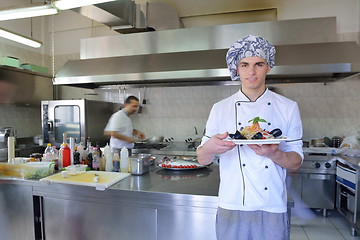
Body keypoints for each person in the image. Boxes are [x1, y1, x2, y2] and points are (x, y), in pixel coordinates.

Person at [197, 35, 303, 240]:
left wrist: (274, 154)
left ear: (268, 67)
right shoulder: (220, 109)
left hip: (272, 205)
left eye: (259, 64)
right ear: (237, 68)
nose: (251, 71)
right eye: (244, 64)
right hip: (231, 204)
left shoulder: (288, 107)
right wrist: (210, 147)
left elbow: (296, 162)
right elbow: (202, 159)